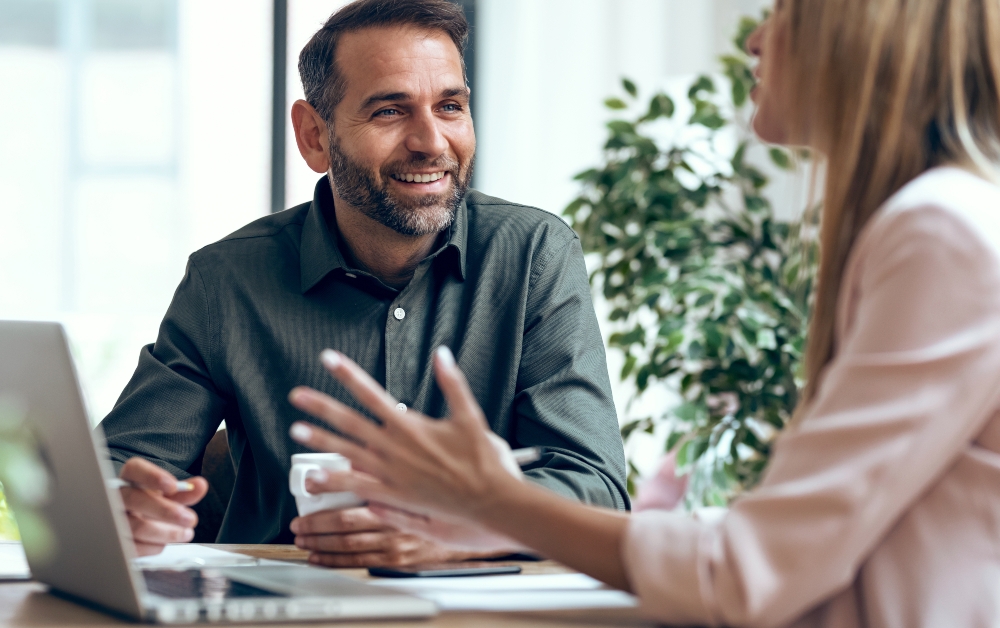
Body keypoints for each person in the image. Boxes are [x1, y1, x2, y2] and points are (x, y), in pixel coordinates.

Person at [286, 0, 1000, 624]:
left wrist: (494, 504)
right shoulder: (934, 223)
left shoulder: (942, 234)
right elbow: (805, 540)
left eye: (783, 9)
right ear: (315, 135)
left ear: (858, 34)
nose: (754, 40)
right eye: (389, 108)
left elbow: (747, 573)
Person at [98, 0, 629, 566]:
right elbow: (119, 465)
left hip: (472, 607)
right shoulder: (226, 280)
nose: (431, 141)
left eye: (450, 106)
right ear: (313, 137)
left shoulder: (534, 256)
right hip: (280, 599)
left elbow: (593, 484)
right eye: (389, 112)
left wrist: (463, 527)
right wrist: (128, 507)